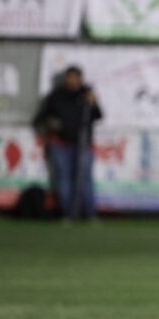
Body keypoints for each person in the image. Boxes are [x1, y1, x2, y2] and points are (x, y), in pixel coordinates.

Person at [33, 65, 103, 220]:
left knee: (85, 179)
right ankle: (68, 213)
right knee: (64, 180)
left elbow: (98, 116)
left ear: (81, 79)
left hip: (84, 144)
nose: (73, 81)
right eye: (70, 77)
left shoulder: (86, 95)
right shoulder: (56, 96)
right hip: (60, 144)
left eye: (76, 78)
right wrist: (51, 124)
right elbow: (40, 119)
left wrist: (93, 103)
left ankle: (90, 214)